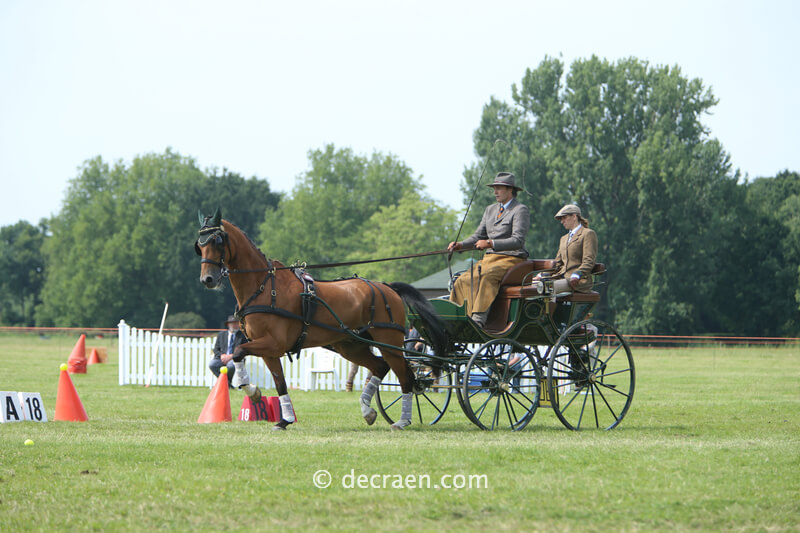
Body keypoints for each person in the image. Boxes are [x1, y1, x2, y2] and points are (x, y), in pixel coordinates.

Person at [448, 172, 530, 327]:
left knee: (487, 277)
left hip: (512, 259)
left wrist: (491, 243)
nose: (495, 192)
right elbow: (478, 236)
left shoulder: (520, 210)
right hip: (489, 259)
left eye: (499, 188)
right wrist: (461, 245)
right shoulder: (490, 210)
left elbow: (518, 240)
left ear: (510, 190)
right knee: (461, 280)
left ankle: (478, 319)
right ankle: (457, 317)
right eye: (494, 188)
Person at [541, 204, 598, 294]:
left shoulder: (587, 234)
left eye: (564, 218)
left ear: (574, 216)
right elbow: (558, 263)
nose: (562, 222)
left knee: (548, 288)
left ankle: (549, 304)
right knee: (535, 286)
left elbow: (589, 261)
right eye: (561, 219)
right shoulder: (563, 239)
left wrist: (577, 274)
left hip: (578, 281)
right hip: (561, 278)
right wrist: (542, 274)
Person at [209, 315, 247, 388]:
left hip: (235, 358)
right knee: (212, 364)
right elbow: (216, 349)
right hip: (222, 358)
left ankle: (226, 384)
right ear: (228, 324)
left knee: (231, 366)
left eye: (237, 323)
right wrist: (222, 356)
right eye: (233, 323)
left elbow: (244, 349)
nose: (235, 325)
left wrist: (231, 356)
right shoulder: (221, 335)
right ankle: (228, 384)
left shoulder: (242, 336)